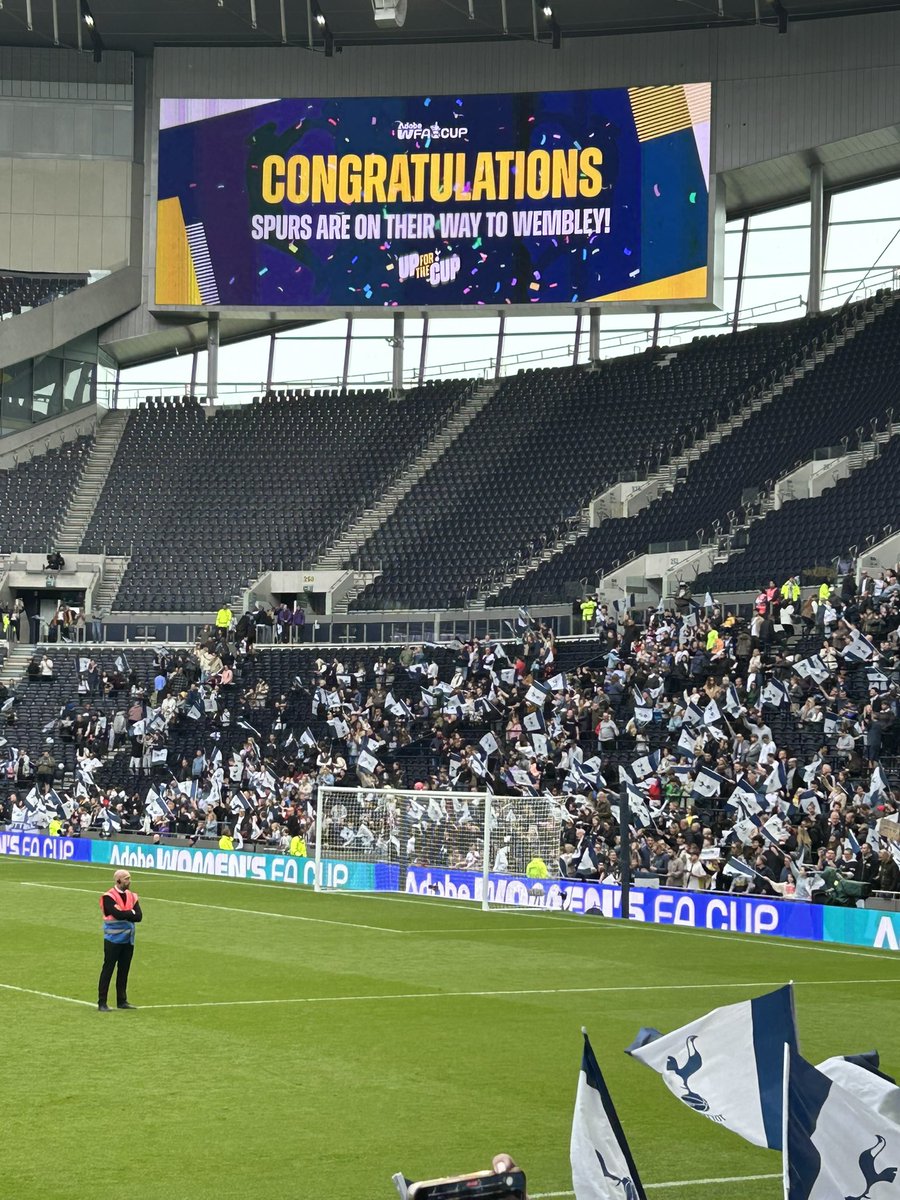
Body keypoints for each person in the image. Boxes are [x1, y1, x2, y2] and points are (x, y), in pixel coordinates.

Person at [98, 869, 142, 1011]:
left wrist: (126, 914)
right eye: (126, 879)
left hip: (128, 939)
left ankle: (122, 1000)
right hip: (113, 939)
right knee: (108, 969)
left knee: (124, 970)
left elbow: (139, 917)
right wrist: (130, 913)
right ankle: (102, 1002)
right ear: (118, 881)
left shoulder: (132, 896)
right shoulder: (108, 897)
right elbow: (116, 913)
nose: (129, 881)